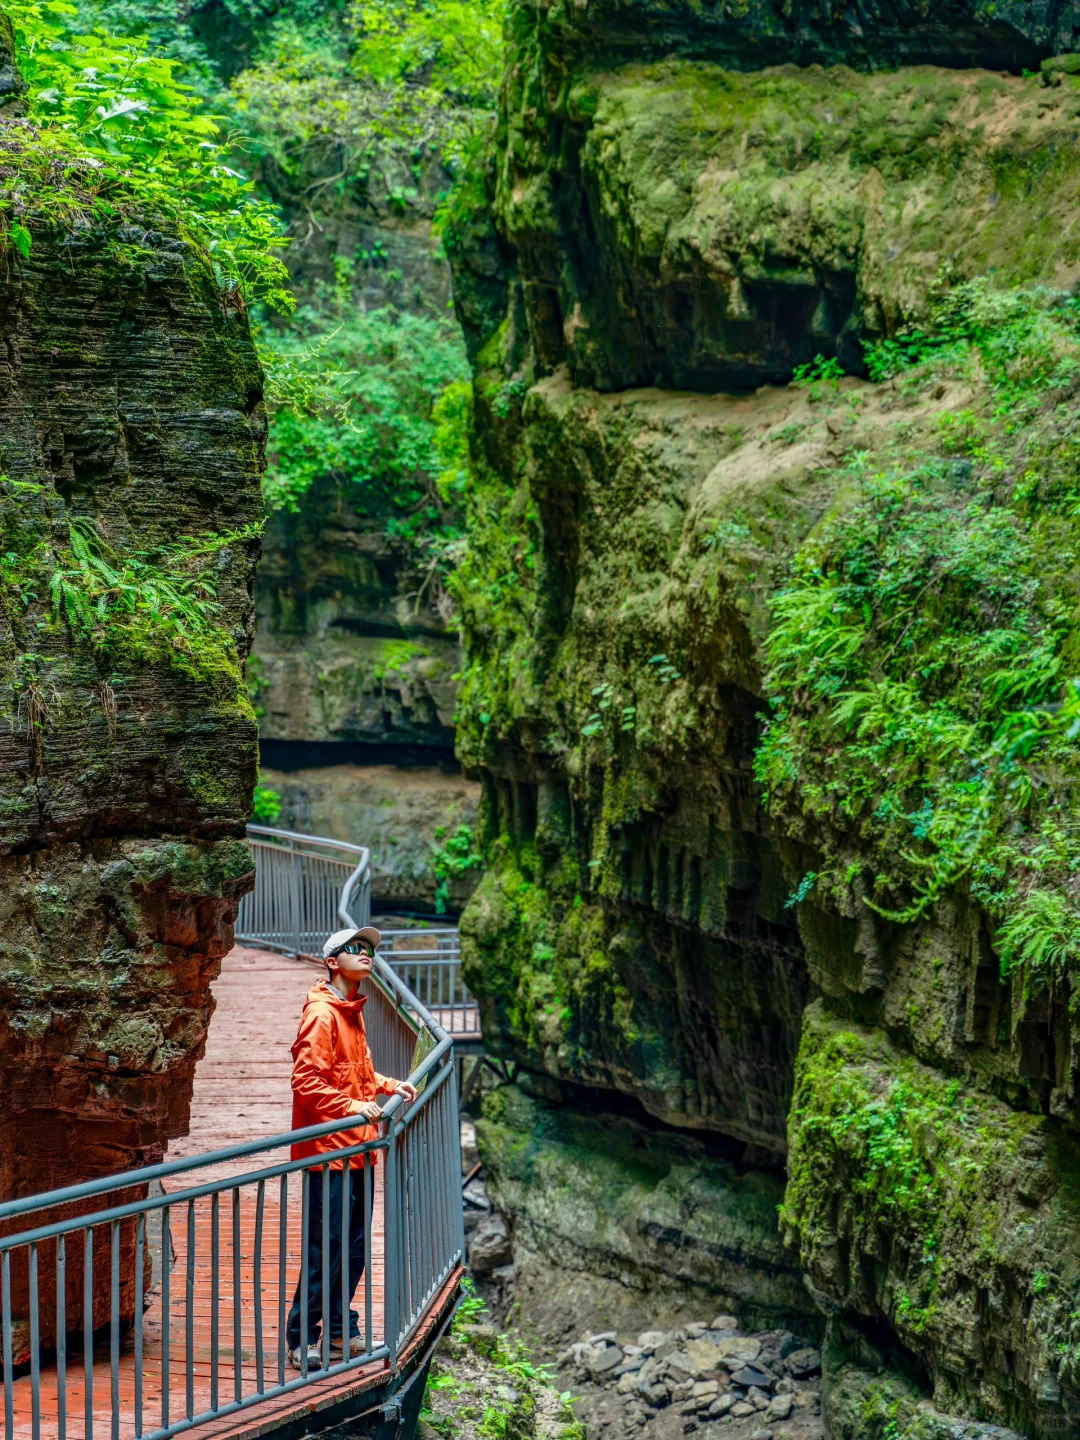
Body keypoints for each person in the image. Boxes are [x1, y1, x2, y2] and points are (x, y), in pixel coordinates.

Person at [285, 924, 418, 1370]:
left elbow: (356, 1071)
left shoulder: (351, 1008)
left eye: (370, 950)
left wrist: (387, 1085)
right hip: (329, 1151)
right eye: (355, 949)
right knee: (330, 1246)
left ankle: (341, 1329)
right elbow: (306, 1082)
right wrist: (353, 1106)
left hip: (359, 1148)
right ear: (331, 960)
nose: (366, 954)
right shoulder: (322, 1013)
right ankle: (302, 1336)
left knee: (355, 1247)